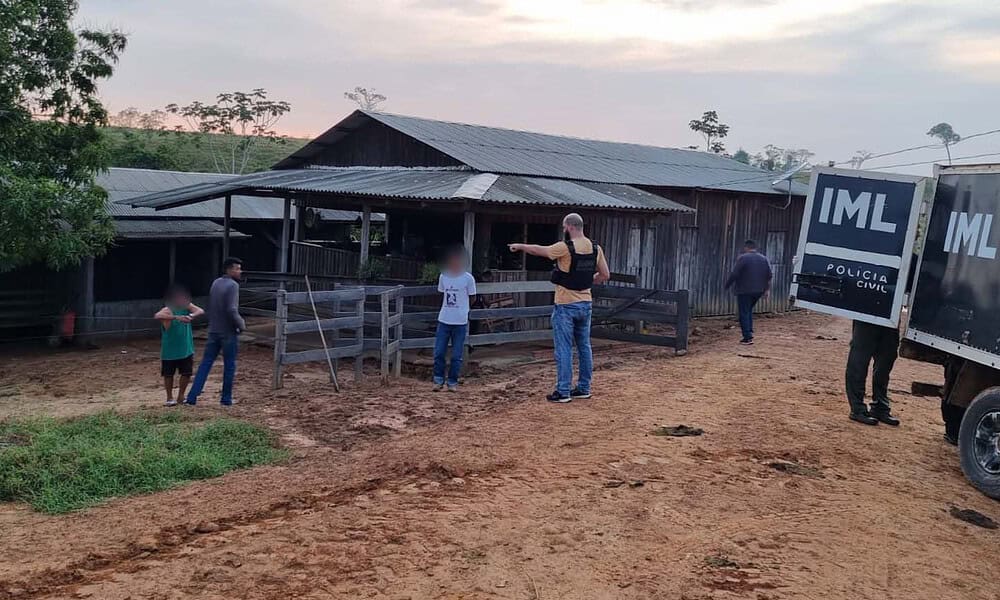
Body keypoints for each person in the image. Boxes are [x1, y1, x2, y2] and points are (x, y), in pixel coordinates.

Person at [509, 213, 610, 403]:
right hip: (585, 302)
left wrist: (520, 246)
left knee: (563, 348)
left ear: (570, 227)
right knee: (584, 346)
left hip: (565, 304)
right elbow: (605, 274)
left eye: (565, 227)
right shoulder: (595, 248)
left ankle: (563, 391)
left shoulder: (565, 247)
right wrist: (588, 281)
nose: (564, 230)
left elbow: (542, 251)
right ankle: (584, 387)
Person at [185, 257, 246, 406]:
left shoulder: (216, 283)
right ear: (229, 269)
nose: (240, 271)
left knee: (206, 363)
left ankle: (192, 396)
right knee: (229, 365)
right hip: (228, 332)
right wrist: (241, 324)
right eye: (237, 268)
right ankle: (226, 399)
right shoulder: (233, 286)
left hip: (214, 330)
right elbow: (231, 310)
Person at [433, 246, 477, 392]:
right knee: (439, 352)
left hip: (460, 321)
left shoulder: (468, 279)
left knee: (456, 355)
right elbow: (442, 294)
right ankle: (438, 379)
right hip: (444, 319)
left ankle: (452, 381)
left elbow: (473, 297)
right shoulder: (443, 276)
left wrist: (463, 310)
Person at [154, 284, 204, 407]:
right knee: (168, 375)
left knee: (186, 373)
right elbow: (157, 315)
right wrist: (177, 317)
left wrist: (190, 316)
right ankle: (169, 397)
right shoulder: (168, 310)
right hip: (170, 351)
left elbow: (200, 311)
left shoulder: (187, 307)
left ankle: (181, 395)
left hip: (186, 349)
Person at [845, 321, 901, 426]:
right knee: (859, 360)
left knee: (887, 359)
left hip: (891, 318)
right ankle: (857, 409)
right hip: (867, 316)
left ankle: (880, 407)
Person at [724, 240, 772, 345]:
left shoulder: (743, 258)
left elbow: (735, 273)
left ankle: (747, 337)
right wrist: (767, 290)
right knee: (748, 309)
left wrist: (727, 285)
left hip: (744, 290)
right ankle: (749, 330)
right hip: (759, 290)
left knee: (744, 312)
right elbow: (769, 275)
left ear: (746, 248)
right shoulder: (764, 259)